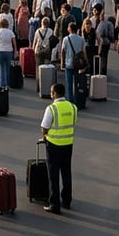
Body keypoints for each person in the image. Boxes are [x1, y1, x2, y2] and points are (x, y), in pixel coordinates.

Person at [39, 82, 76, 213]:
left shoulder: (51, 108)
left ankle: (54, 204)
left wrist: (44, 137)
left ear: (55, 94)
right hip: (68, 145)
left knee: (53, 176)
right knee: (66, 173)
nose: (50, 95)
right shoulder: (72, 107)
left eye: (51, 92)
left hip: (53, 146)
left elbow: (44, 127)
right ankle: (67, 200)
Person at [58, 21, 86, 103]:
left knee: (69, 83)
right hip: (78, 64)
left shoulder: (66, 39)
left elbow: (63, 51)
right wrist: (85, 63)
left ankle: (70, 100)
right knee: (78, 83)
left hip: (69, 63)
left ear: (69, 29)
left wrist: (62, 63)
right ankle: (78, 99)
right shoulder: (81, 39)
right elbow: (84, 52)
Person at [0, 17, 17, 88]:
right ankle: (7, 83)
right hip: (9, 51)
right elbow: (14, 42)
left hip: (0, 50)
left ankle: (3, 84)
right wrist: (15, 50)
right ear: (7, 25)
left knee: (1, 67)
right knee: (7, 67)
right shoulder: (10, 32)